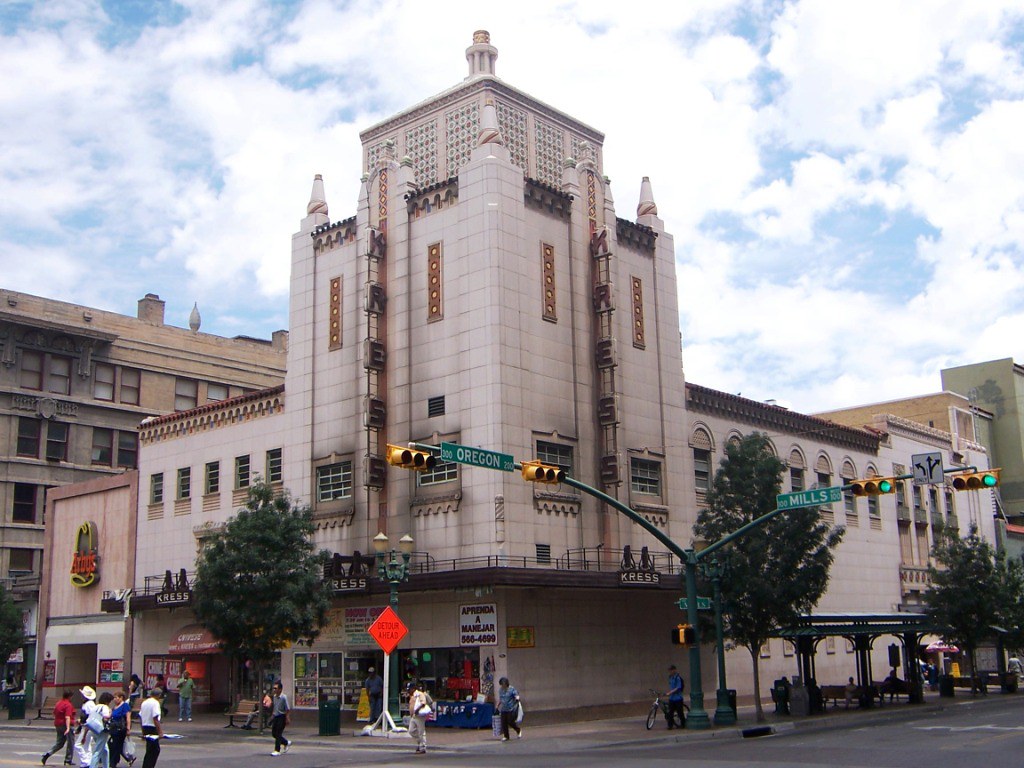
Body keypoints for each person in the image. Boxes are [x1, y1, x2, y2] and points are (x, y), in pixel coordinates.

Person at [42, 688, 76, 765]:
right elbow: (67, 717)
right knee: (70, 743)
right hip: (66, 725)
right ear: (70, 696)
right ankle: (68, 760)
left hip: (58, 724)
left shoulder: (59, 703)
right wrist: (68, 728)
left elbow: (54, 713)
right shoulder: (68, 705)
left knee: (59, 743)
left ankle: (48, 754)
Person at [138, 688, 164, 768]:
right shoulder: (155, 703)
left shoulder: (145, 702)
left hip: (145, 726)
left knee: (149, 749)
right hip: (152, 727)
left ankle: (146, 765)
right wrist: (160, 731)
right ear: (158, 695)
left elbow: (140, 717)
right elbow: (155, 718)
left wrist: (142, 731)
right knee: (155, 750)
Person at [87, 692, 114, 768]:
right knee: (98, 750)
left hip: (94, 728)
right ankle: (92, 766)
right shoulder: (105, 707)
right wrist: (111, 713)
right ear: (107, 701)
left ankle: (106, 766)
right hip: (102, 730)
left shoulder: (95, 707)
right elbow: (106, 718)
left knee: (105, 749)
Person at [107, 690, 133, 767]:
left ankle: (113, 762)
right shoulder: (114, 707)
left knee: (116, 745)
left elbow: (128, 718)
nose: (115, 699)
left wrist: (128, 729)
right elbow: (110, 715)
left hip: (121, 729)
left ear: (121, 698)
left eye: (116, 697)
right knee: (113, 745)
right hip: (113, 728)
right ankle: (127, 759)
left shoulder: (125, 706)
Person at [269, 681, 292, 756]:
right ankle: (286, 742)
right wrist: (272, 716)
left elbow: (287, 708)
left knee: (278, 733)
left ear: (280, 689)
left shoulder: (283, 697)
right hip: (276, 716)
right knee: (274, 733)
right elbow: (275, 707)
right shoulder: (274, 697)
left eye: (276, 688)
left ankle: (277, 750)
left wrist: (287, 718)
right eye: (274, 688)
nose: (274, 690)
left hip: (282, 716)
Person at [497, 676, 522, 742]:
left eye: (503, 684)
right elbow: (501, 699)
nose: (502, 686)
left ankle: (518, 729)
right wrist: (497, 706)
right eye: (501, 684)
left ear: (506, 683)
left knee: (510, 721)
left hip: (511, 708)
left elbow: (516, 695)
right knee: (503, 723)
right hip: (503, 709)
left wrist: (517, 698)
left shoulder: (511, 689)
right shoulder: (501, 690)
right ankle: (506, 736)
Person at [406, 681, 429, 754]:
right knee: (411, 731)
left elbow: (423, 703)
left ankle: (423, 747)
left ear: (413, 688)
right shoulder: (412, 696)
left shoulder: (419, 694)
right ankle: (420, 742)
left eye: (409, 689)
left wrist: (417, 710)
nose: (409, 691)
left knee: (421, 731)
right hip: (413, 716)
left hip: (419, 715)